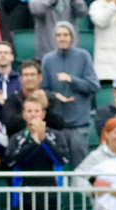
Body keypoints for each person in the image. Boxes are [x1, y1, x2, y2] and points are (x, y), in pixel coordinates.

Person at [41, 21, 99, 161]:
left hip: (79, 125)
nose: (62, 38)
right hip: (56, 126)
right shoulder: (47, 60)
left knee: (80, 167)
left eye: (65, 35)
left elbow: (93, 86)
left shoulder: (83, 56)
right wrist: (55, 95)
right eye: (58, 35)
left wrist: (72, 80)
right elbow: (43, 90)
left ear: (72, 37)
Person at [2, 59, 63, 135]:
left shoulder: (51, 99)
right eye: (26, 75)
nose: (29, 78)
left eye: (33, 74)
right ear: (20, 79)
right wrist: (27, 113)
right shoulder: (12, 100)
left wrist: (45, 107)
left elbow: (59, 125)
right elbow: (9, 125)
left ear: (40, 78)